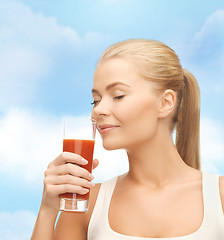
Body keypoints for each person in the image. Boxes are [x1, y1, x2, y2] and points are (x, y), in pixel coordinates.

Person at [31, 39, 224, 240]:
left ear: (165, 103)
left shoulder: (219, 198)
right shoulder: (86, 203)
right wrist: (47, 209)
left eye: (118, 95)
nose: (98, 110)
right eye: (95, 100)